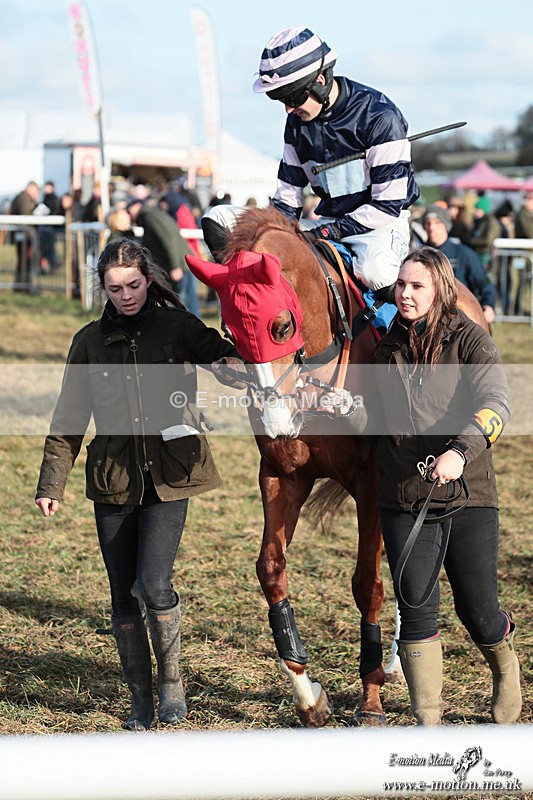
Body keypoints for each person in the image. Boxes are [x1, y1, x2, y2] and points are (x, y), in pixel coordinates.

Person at [34, 238, 242, 731]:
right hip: (114, 481)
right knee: (123, 594)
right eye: (115, 287)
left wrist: (236, 365)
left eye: (133, 284)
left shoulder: (177, 326)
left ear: (148, 280)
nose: (126, 295)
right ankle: (140, 698)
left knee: (153, 583)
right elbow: (68, 417)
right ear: (102, 288)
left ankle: (172, 681)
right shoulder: (88, 342)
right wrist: (51, 483)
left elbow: (225, 360)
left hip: (171, 475)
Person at [331, 246, 520, 726]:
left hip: (467, 493)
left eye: (417, 286)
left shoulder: (470, 341)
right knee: (415, 607)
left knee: (477, 610)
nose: (406, 294)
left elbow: (498, 403)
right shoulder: (389, 347)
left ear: (440, 291)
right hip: (404, 498)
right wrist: (344, 408)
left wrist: (460, 451)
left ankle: (505, 666)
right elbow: (379, 419)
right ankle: (427, 724)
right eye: (401, 285)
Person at [203, 26, 419, 329]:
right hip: (325, 224)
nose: (289, 108)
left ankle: (410, 347)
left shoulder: (380, 117)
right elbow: (287, 201)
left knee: (376, 271)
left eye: (292, 96)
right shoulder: (295, 124)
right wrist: (269, 233)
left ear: (320, 80)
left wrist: (329, 233)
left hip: (380, 226)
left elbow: (387, 204)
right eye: (280, 100)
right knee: (218, 216)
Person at [421, 204, 496, 324]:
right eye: (428, 223)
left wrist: (488, 305)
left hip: (459, 316)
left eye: (437, 223)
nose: (432, 227)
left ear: (446, 225)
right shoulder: (420, 255)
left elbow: (484, 282)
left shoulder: (463, 253)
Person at [126, 198, 201, 318]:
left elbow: (168, 239)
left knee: (185, 305)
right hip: (182, 262)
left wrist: (175, 266)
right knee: (187, 304)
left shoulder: (150, 216)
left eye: (129, 211)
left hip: (180, 264)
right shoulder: (151, 214)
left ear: (136, 206)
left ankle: (194, 334)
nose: (129, 215)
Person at [10, 180, 40, 288]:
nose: (37, 195)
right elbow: (26, 214)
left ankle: (22, 285)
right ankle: (23, 285)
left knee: (24, 261)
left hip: (23, 235)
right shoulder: (24, 198)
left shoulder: (21, 197)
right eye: (36, 192)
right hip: (24, 235)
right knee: (24, 261)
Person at [467, 195, 500, 270]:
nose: (475, 211)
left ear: (484, 210)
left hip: (486, 255)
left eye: (477, 209)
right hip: (477, 253)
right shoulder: (478, 221)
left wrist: (471, 241)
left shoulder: (491, 222)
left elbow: (488, 240)